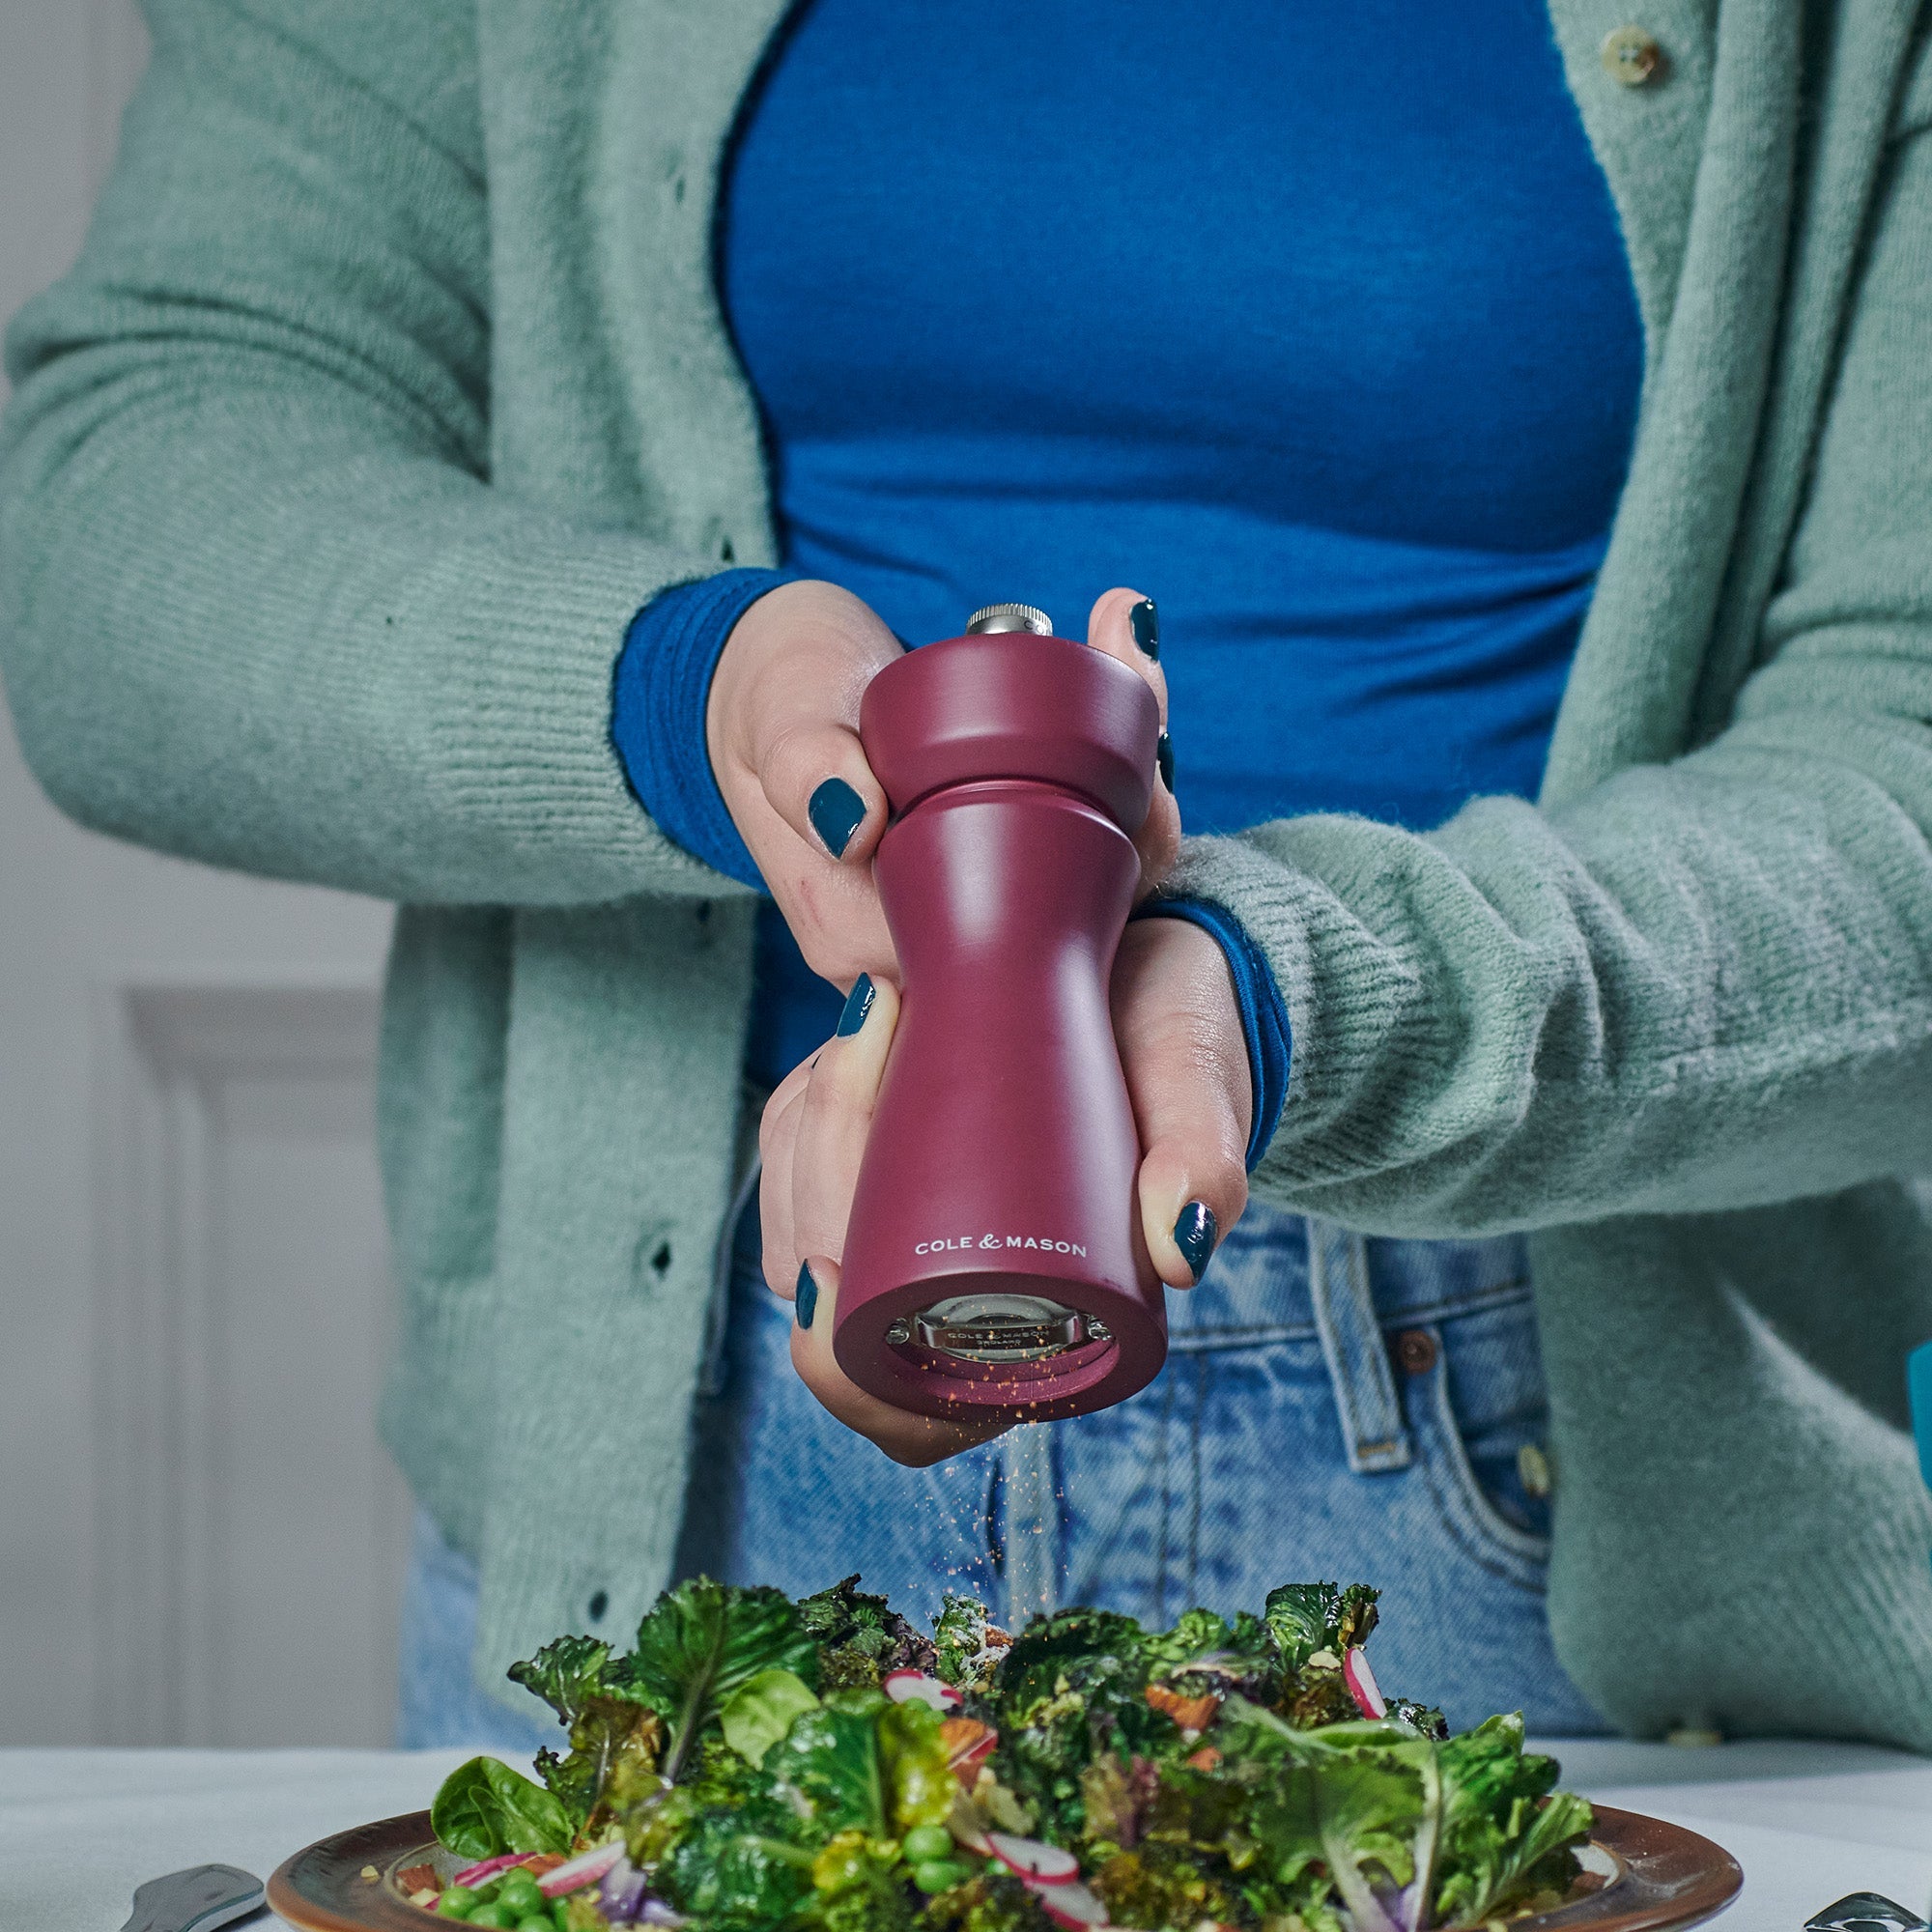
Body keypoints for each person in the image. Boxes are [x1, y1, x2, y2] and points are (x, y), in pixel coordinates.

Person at [4, 0, 1931, 1756]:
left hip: (1556, 1456)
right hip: (677, 1423)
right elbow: (127, 491)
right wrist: (691, 691)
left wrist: (1295, 994)